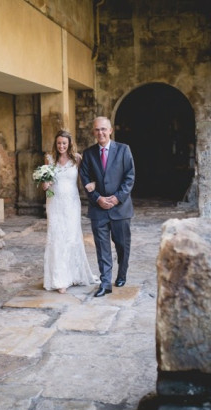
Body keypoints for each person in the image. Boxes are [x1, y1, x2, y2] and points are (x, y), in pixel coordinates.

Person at [79, 116, 135, 298]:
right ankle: (105, 283)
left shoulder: (124, 150)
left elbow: (129, 177)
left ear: (110, 130)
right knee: (102, 247)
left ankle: (122, 273)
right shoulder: (88, 154)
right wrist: (97, 198)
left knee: (122, 245)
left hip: (120, 208)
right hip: (98, 209)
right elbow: (85, 179)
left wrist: (117, 198)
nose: (100, 133)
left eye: (103, 129)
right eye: (97, 130)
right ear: (93, 132)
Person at [41, 130, 99, 293]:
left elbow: (86, 178)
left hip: (72, 203)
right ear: (56, 143)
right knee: (57, 237)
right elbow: (47, 182)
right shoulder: (49, 158)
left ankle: (73, 275)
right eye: (59, 143)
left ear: (69, 144)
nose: (61, 146)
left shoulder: (77, 159)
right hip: (55, 202)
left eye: (64, 143)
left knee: (71, 237)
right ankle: (60, 280)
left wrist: (95, 186)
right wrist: (46, 188)